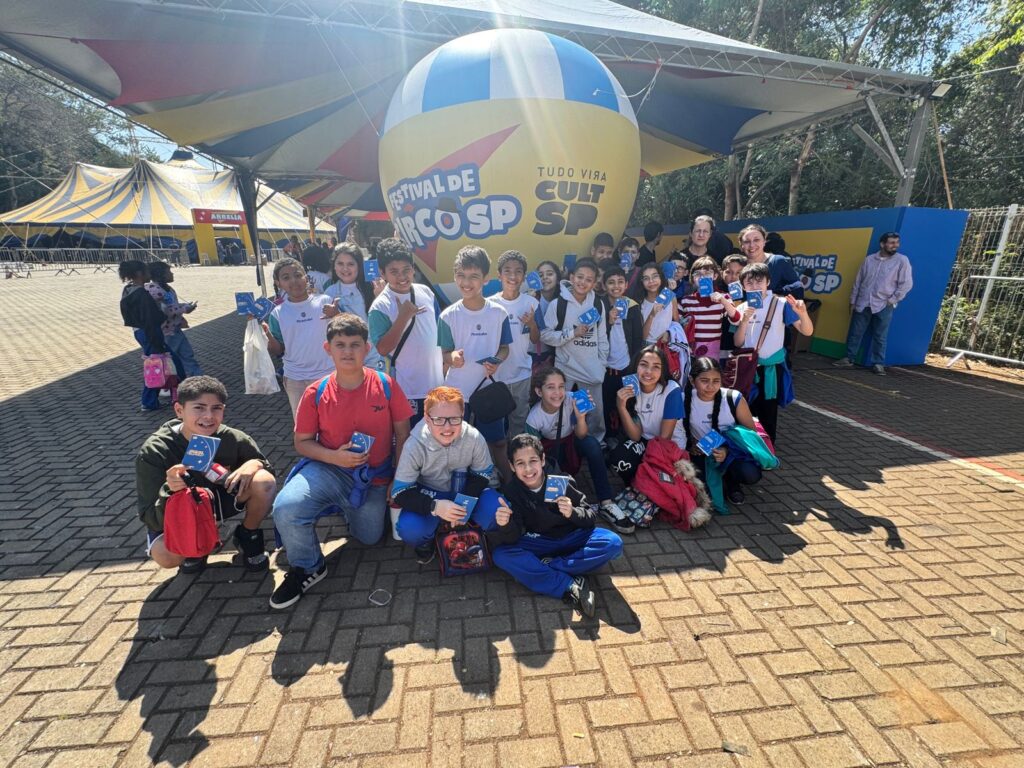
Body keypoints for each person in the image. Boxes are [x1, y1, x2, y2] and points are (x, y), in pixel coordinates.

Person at [270, 314, 413, 609]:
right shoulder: (315, 392)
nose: (348, 351)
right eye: (340, 345)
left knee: (370, 537)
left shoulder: (386, 385)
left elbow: (403, 433)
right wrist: (335, 457)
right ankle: (308, 567)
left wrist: (399, 480)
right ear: (328, 348)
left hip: (375, 475)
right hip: (329, 469)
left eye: (355, 344)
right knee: (286, 508)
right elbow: (302, 442)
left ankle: (349, 508)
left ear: (367, 348)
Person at [135, 376, 276, 573]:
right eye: (199, 408)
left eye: (216, 408)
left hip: (219, 501)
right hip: (181, 512)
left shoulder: (231, 437)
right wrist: (170, 489)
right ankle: (195, 547)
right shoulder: (156, 450)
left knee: (264, 482)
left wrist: (255, 464)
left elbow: (268, 470)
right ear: (179, 410)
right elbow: (149, 516)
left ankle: (247, 533)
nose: (209, 416)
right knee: (165, 555)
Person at [492, 434, 623, 618]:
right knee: (501, 555)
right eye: (520, 463)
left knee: (613, 543)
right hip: (540, 541)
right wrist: (504, 524)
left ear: (543, 460)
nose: (528, 469)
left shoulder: (562, 480)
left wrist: (572, 512)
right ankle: (568, 585)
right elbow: (513, 536)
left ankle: (549, 567)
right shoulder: (512, 491)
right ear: (512, 466)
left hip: (573, 537)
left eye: (533, 461)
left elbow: (590, 516)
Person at [392, 386, 501, 563]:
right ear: (427, 418)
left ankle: (480, 533)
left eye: (454, 419)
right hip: (431, 493)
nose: (447, 427)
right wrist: (434, 506)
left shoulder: (474, 437)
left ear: (463, 414)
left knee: (497, 511)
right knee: (410, 529)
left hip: (465, 489)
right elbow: (400, 492)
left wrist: (463, 503)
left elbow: (483, 473)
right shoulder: (414, 445)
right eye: (439, 420)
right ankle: (426, 542)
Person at [438, 245, 514, 479]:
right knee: (457, 444)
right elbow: (443, 354)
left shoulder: (499, 313)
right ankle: (464, 487)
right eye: (461, 275)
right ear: (454, 276)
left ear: (486, 278)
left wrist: (497, 361)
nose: (466, 282)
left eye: (473, 276)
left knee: (498, 442)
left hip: (489, 390)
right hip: (457, 395)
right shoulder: (448, 316)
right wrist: (452, 359)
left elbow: (504, 348)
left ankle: (509, 486)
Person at [526, 367, 633, 533]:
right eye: (550, 387)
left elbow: (581, 435)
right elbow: (535, 453)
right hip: (548, 448)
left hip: (571, 439)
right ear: (539, 392)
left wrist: (581, 416)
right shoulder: (534, 417)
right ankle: (558, 507)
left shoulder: (571, 399)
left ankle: (606, 502)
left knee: (592, 445)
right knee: (550, 470)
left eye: (561, 386)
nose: (557, 392)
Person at [734, 262, 814, 442]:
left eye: (759, 281)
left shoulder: (781, 304)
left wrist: (802, 313)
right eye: (749, 283)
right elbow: (738, 342)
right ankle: (749, 447)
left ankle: (767, 452)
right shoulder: (741, 308)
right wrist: (744, 320)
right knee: (745, 409)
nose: (754, 286)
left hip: (771, 369)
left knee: (768, 411)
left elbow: (806, 331)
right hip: (747, 369)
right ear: (743, 286)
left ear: (768, 282)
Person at [368, 238, 443, 427]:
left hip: (437, 385)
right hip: (407, 389)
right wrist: (402, 318)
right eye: (394, 271)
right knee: (409, 440)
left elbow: (439, 332)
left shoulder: (426, 291)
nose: (402, 276)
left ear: (413, 269)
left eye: (406, 270)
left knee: (436, 437)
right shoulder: (380, 307)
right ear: (382, 273)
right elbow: (383, 348)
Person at [540, 257, 609, 445]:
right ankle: (560, 443)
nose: (583, 282)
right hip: (565, 368)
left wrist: (601, 365)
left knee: (595, 412)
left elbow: (602, 337)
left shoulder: (598, 304)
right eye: (580, 277)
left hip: (591, 369)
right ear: (571, 277)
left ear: (594, 283)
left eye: (589, 279)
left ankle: (596, 444)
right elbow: (545, 335)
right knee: (560, 408)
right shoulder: (558, 304)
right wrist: (572, 333)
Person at [680, 357, 763, 505]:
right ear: (692, 381)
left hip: (732, 452)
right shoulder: (683, 398)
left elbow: (751, 435)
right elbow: (678, 430)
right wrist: (691, 445)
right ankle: (719, 482)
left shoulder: (733, 398)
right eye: (704, 380)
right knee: (704, 492)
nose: (710, 386)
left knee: (750, 474)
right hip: (700, 453)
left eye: (716, 381)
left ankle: (732, 484)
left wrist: (727, 450)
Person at [263, 258, 338, 417]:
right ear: (278, 283)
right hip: (295, 379)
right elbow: (278, 350)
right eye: (286, 277)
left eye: (298, 275)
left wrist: (337, 315)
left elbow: (347, 331)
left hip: (327, 374)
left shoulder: (324, 302)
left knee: (332, 421)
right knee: (303, 427)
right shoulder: (278, 313)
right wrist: (267, 334)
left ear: (306, 277)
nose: (294, 281)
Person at [834, 232, 913, 376]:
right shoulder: (869, 260)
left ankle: (878, 363)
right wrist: (853, 300)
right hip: (863, 302)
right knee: (856, 332)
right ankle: (849, 358)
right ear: (882, 244)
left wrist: (892, 300)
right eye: (891, 243)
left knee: (880, 335)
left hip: (883, 304)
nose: (895, 246)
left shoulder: (902, 261)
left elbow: (906, 284)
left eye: (897, 242)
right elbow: (858, 281)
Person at [489, 250, 540, 439]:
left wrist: (532, 324)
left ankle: (516, 459)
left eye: (518, 271)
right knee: (495, 423)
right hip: (495, 376)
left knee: (519, 421)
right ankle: (497, 462)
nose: (513, 276)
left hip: (521, 373)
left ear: (524, 276)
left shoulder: (532, 303)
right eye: (507, 271)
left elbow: (536, 339)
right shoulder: (490, 304)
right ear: (499, 275)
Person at [324, 242, 385, 370]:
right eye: (340, 264)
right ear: (334, 266)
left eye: (350, 264)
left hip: (374, 354)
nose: (345, 269)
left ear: (359, 266)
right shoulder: (330, 292)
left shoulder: (372, 287)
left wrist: (380, 297)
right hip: (348, 354)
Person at [119, 260, 170, 411]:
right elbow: (150, 319)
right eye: (146, 271)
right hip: (149, 332)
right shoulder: (141, 295)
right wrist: (157, 341)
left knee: (158, 365)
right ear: (140, 274)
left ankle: (153, 400)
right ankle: (148, 401)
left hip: (140, 331)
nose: (149, 274)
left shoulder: (129, 290)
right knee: (155, 366)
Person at [601, 265, 643, 437]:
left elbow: (637, 339)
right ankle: (609, 437)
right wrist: (608, 321)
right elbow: (595, 335)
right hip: (605, 369)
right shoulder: (600, 305)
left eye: (620, 282)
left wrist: (635, 365)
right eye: (611, 282)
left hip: (627, 367)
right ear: (604, 286)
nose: (616, 286)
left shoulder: (632, 307)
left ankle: (629, 437)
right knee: (607, 404)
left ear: (626, 285)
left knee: (629, 404)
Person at [145, 261, 202, 379]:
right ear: (160, 274)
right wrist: (185, 309)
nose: (172, 274)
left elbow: (172, 304)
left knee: (187, 354)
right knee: (170, 358)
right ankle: (167, 383)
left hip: (175, 328)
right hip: (166, 331)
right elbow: (165, 310)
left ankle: (197, 377)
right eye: (169, 272)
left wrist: (183, 306)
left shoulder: (168, 288)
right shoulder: (155, 290)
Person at [678, 256, 742, 361]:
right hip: (691, 349)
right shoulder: (686, 301)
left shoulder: (724, 297)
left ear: (715, 276)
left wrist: (724, 301)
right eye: (698, 274)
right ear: (692, 278)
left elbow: (736, 319)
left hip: (713, 348)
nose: (702, 277)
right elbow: (676, 324)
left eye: (707, 273)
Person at [737, 224, 804, 298]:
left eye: (756, 240)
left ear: (764, 242)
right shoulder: (737, 265)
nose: (752, 245)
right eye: (747, 241)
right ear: (741, 245)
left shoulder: (778, 262)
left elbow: (797, 287)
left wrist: (776, 295)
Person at [635, 262, 679, 344]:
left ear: (661, 277)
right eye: (646, 278)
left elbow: (676, 322)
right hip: (648, 345)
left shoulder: (670, 296)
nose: (651, 281)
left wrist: (669, 333)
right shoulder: (640, 303)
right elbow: (643, 336)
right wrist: (652, 315)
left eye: (655, 276)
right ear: (641, 282)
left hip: (667, 343)